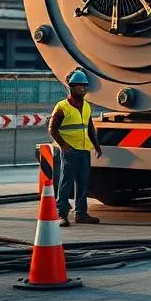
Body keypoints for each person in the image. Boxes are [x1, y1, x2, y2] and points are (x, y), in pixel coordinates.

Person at [48, 69, 102, 227]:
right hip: (70, 152)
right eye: (80, 86)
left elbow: (89, 127)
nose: (84, 89)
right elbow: (52, 128)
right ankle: (62, 214)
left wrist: (96, 146)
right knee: (66, 183)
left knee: (83, 183)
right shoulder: (62, 107)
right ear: (71, 87)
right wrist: (63, 146)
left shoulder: (86, 107)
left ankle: (81, 214)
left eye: (85, 86)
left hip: (84, 151)